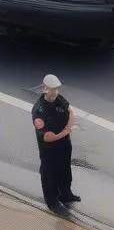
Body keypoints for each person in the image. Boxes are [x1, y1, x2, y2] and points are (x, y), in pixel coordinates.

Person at [31, 74, 79, 213]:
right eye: (52, 89)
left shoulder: (59, 99)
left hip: (64, 145)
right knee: (50, 173)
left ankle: (65, 194)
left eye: (57, 89)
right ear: (45, 89)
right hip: (49, 149)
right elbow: (48, 137)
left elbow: (71, 112)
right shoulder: (39, 110)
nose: (55, 92)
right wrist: (67, 130)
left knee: (65, 170)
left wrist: (66, 129)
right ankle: (52, 202)